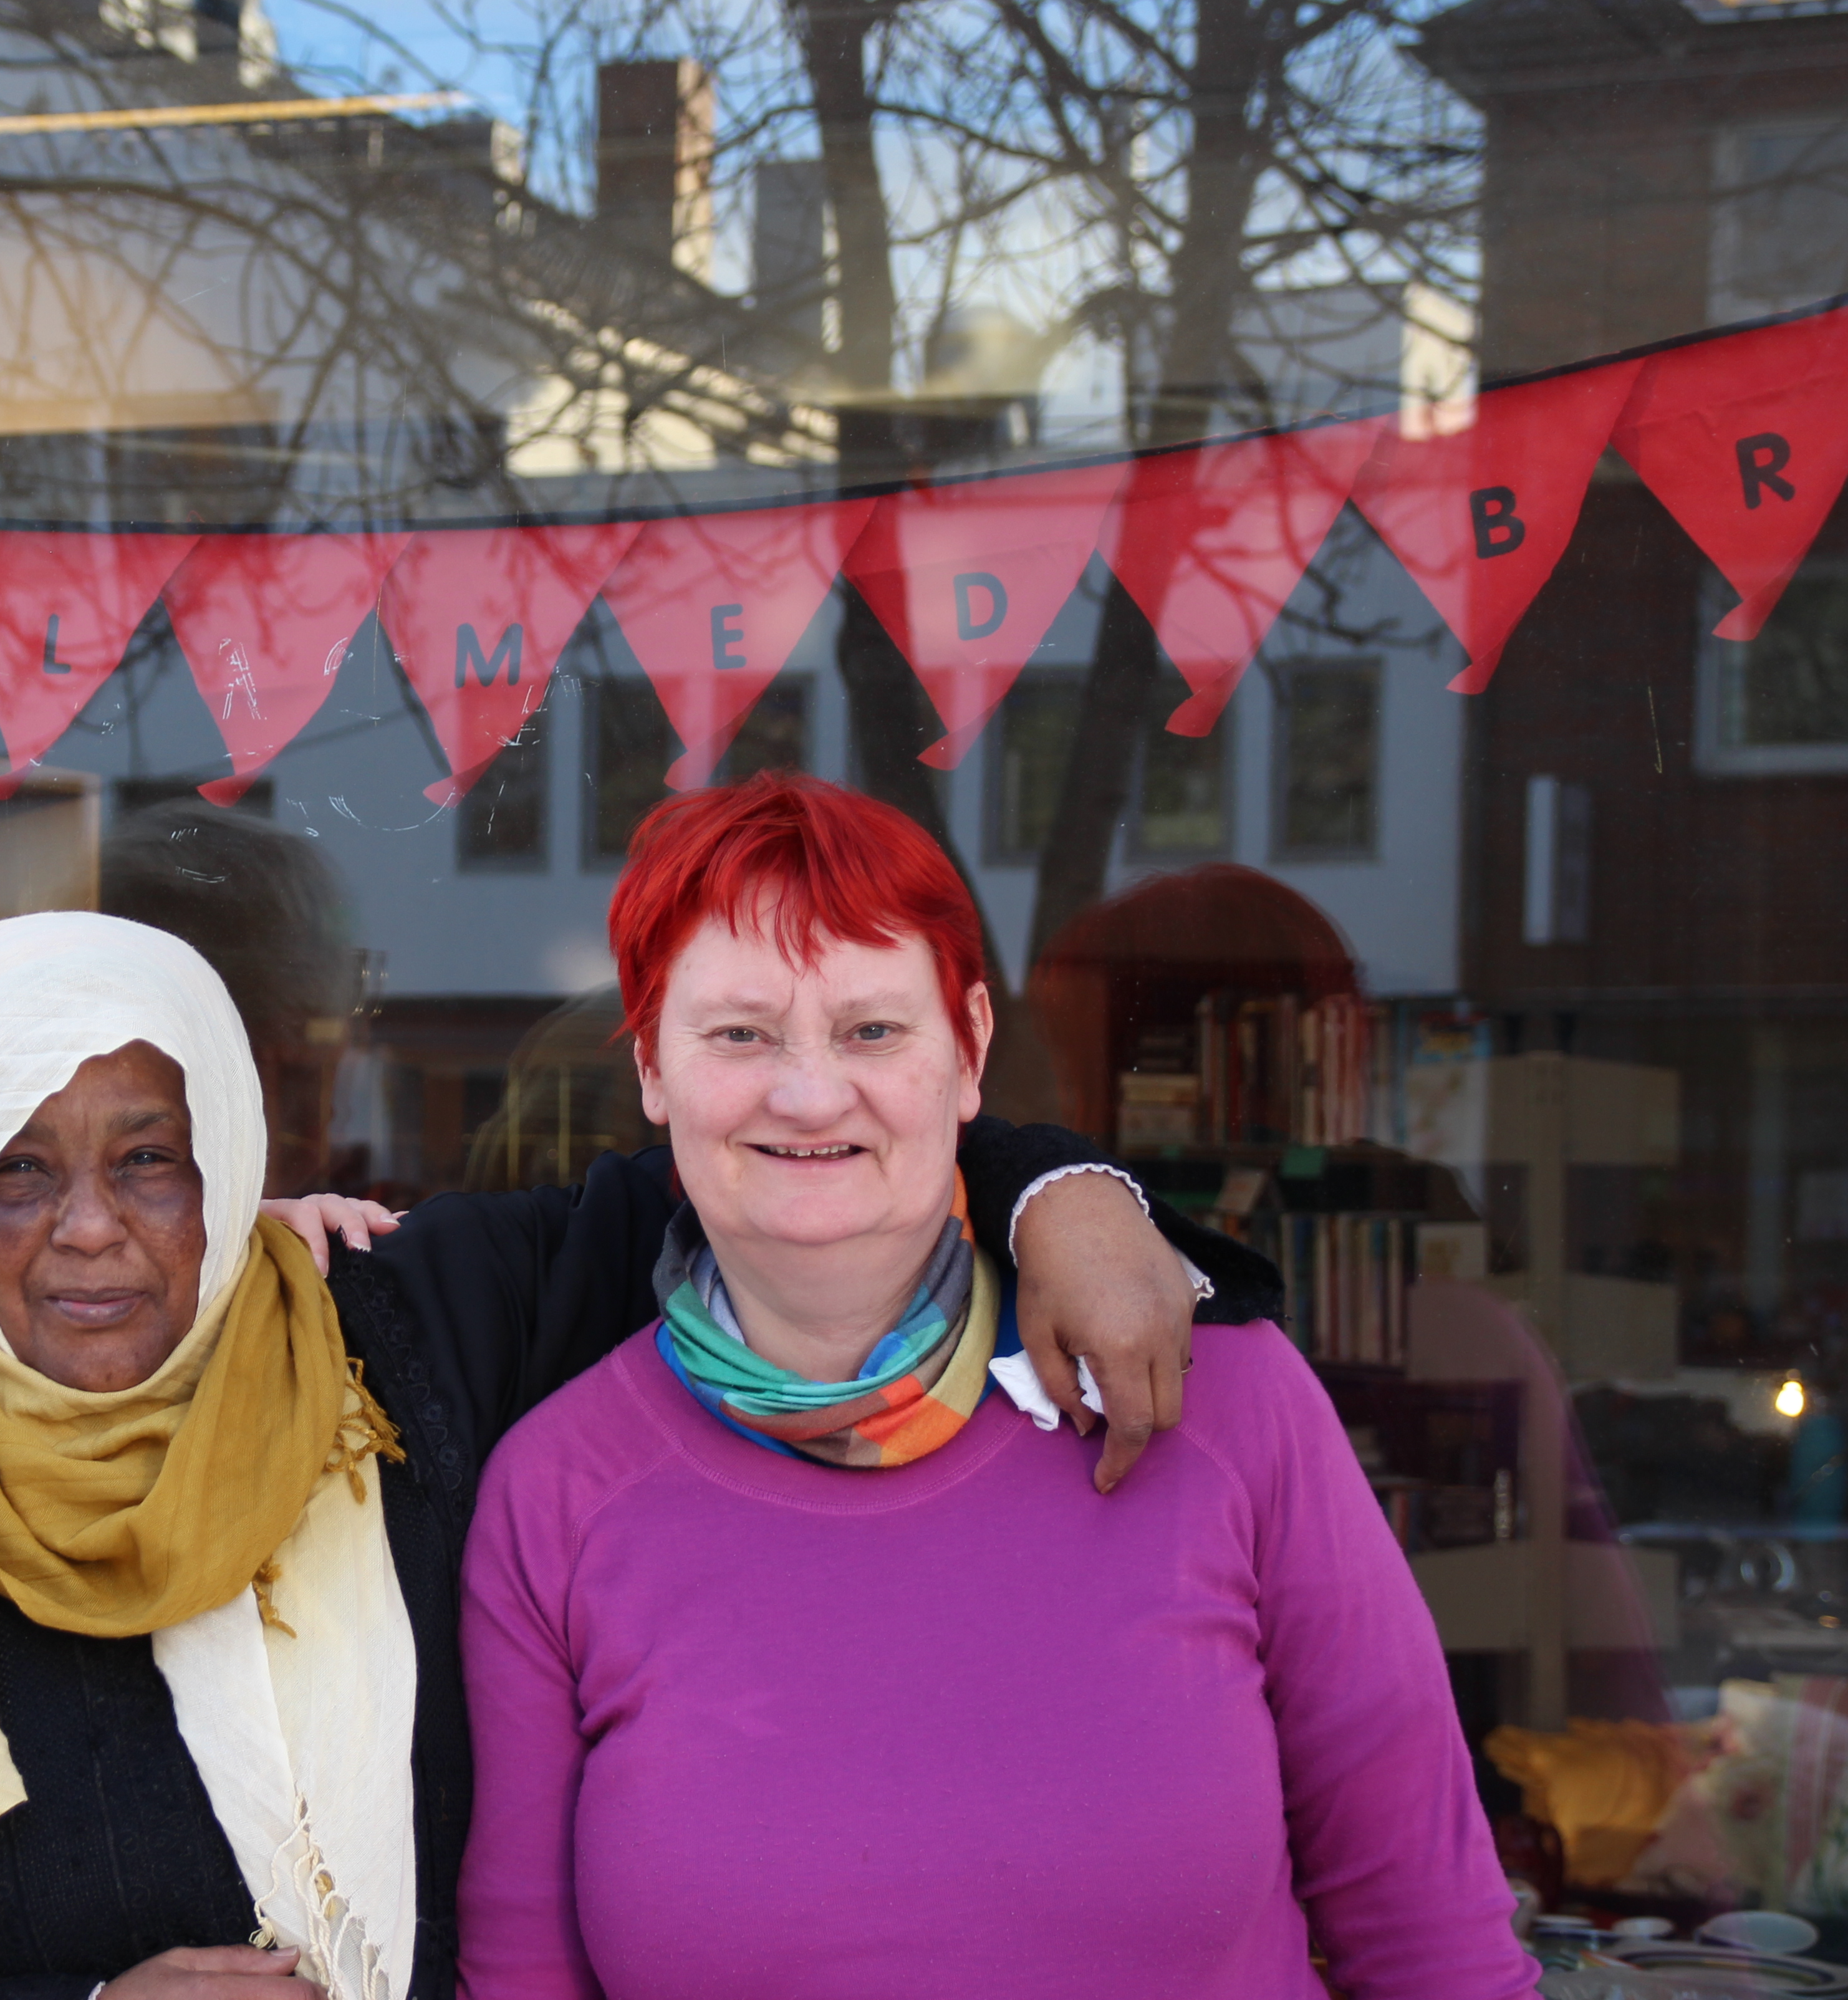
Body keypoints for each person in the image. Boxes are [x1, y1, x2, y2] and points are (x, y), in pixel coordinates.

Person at [0, 910, 1256, 2000]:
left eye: (152, 1159)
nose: (93, 1236)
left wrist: (1055, 1191)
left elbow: (779, 1163)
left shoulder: (398, 1340)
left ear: (232, 1155)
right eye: (17, 1172)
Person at [455, 774, 1531, 2000]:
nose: (810, 1095)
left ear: (968, 1052)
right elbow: (521, 1979)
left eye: (872, 1030)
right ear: (652, 1067)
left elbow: (1434, 1940)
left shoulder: (1217, 1395)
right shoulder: (559, 1492)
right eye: (740, 1033)